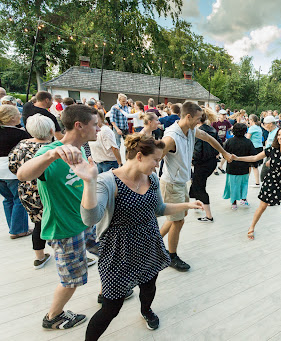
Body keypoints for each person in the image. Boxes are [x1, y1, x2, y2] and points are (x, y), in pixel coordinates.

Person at [75, 133, 203, 340]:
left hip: (149, 244)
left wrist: (187, 204)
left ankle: (146, 310)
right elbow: (90, 218)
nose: (157, 166)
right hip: (118, 251)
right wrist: (89, 183)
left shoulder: (152, 178)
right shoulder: (108, 181)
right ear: (140, 156)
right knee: (111, 307)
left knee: (149, 286)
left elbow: (159, 209)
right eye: (156, 160)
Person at [16, 104, 104, 329]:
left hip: (85, 222)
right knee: (72, 280)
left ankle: (108, 293)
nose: (99, 128)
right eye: (95, 124)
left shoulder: (82, 148)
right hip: (65, 228)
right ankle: (53, 317)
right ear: (79, 126)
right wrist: (51, 154)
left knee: (107, 254)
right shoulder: (53, 151)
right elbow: (23, 174)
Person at [159, 102, 232, 271]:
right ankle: (171, 256)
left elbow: (209, 138)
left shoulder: (191, 130)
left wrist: (225, 153)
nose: (200, 121)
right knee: (178, 221)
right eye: (198, 118)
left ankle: (152, 244)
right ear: (188, 117)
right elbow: (156, 158)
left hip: (181, 182)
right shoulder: (171, 137)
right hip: (171, 184)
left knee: (177, 217)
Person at [233, 127, 281, 241]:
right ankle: (252, 226)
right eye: (279, 135)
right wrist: (238, 158)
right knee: (262, 206)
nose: (280, 137)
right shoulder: (272, 149)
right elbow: (255, 157)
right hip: (270, 181)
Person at [8, 114, 54, 268]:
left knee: (38, 223)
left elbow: (13, 166)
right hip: (49, 191)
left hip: (27, 191)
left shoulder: (21, 145)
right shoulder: (51, 149)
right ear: (51, 130)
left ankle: (39, 257)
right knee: (57, 223)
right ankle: (66, 253)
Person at [0, 104, 31, 238]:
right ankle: (18, 229)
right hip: (12, 169)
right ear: (12, 118)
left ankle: (13, 227)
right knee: (19, 198)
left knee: (8, 199)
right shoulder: (20, 134)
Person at [189, 108, 220, 223]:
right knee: (197, 183)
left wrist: (191, 159)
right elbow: (219, 146)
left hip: (202, 163)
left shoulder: (198, 132)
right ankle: (198, 204)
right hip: (211, 163)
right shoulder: (212, 129)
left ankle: (209, 216)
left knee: (200, 187)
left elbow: (197, 151)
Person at [223, 123, 256, 210]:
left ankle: (234, 203)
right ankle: (244, 199)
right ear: (245, 131)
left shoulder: (229, 141)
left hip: (231, 168)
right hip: (244, 168)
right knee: (244, 184)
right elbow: (253, 154)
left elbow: (224, 154)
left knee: (233, 185)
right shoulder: (248, 142)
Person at [259, 115, 279, 183]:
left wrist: (271, 158)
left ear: (270, 124)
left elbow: (278, 147)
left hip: (272, 156)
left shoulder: (276, 132)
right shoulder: (271, 131)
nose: (265, 126)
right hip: (268, 154)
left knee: (264, 175)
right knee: (264, 176)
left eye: (265, 124)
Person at [212, 109, 232, 174]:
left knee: (225, 153)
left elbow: (230, 127)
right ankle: (214, 169)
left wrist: (227, 131)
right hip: (216, 140)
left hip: (223, 140)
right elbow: (211, 129)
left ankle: (220, 166)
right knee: (216, 155)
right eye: (222, 115)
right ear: (219, 115)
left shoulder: (226, 122)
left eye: (225, 115)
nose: (224, 116)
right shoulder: (215, 122)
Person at [246, 114, 263, 187]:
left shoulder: (252, 128)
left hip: (253, 148)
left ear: (251, 120)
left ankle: (251, 182)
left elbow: (247, 139)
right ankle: (257, 182)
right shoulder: (258, 127)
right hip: (259, 147)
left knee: (251, 166)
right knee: (254, 166)